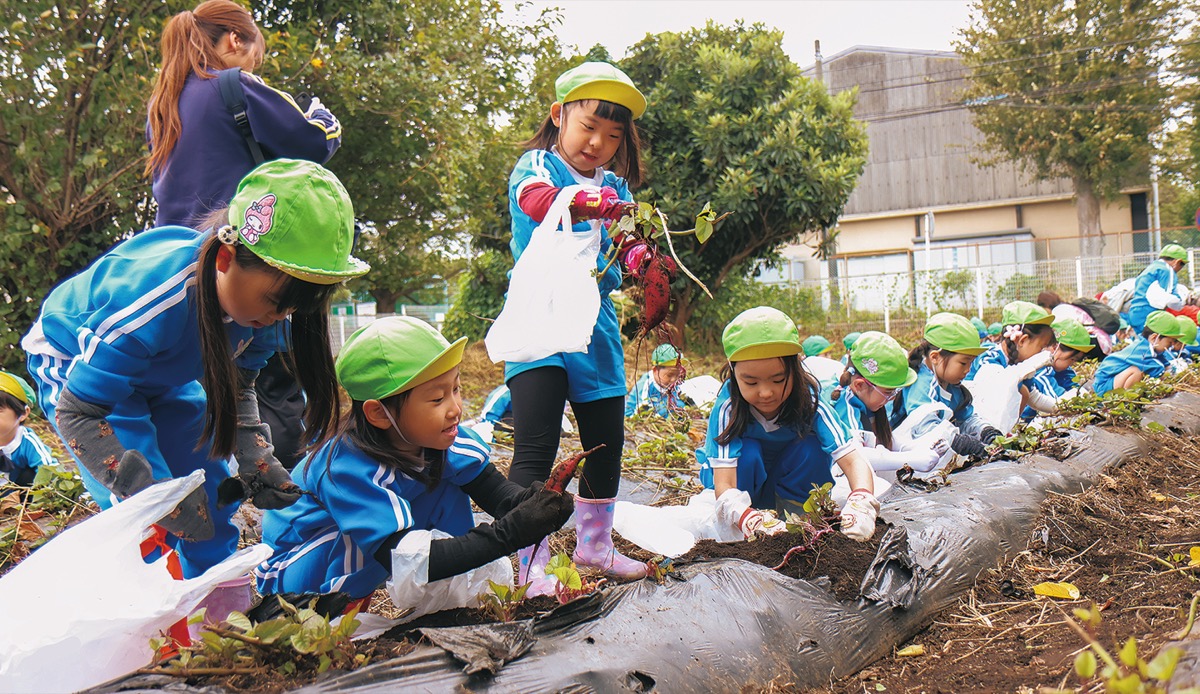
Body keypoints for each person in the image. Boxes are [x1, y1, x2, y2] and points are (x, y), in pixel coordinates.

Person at [22, 159, 369, 577]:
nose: (284, 315)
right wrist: (152, 498)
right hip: (81, 370)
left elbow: (237, 387)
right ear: (225, 257)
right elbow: (79, 413)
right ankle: (157, 612)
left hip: (162, 373)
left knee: (207, 485)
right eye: (278, 301)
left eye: (297, 305)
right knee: (149, 508)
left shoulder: (267, 315)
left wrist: (256, 458)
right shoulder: (156, 298)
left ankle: (218, 595)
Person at [146, 0, 345, 471]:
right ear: (235, 40)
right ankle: (287, 489)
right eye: (256, 50)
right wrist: (325, 117)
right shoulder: (233, 86)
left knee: (199, 383)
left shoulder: (163, 104)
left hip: (182, 267)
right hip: (246, 255)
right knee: (269, 380)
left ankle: (214, 482)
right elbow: (311, 143)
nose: (257, 63)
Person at [254, 317, 573, 603]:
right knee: (370, 541)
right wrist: (508, 534)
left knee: (444, 484)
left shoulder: (436, 436)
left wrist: (537, 505)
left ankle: (449, 593)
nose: (455, 408)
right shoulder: (344, 468)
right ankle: (335, 609)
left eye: (456, 388)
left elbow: (495, 492)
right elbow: (403, 558)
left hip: (359, 555)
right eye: (437, 398)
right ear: (379, 413)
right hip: (297, 570)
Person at [503, 61, 651, 591]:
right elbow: (536, 202)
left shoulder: (615, 186)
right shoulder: (537, 165)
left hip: (595, 328)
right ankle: (527, 562)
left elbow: (625, 245)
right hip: (539, 321)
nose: (598, 143)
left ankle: (594, 548)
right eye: (588, 127)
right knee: (536, 448)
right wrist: (594, 204)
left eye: (612, 136)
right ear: (559, 115)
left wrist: (641, 258)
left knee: (606, 442)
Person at [697, 307, 878, 542]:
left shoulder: (809, 401)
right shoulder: (728, 408)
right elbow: (724, 484)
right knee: (748, 453)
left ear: (795, 370)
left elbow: (852, 459)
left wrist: (861, 500)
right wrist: (747, 518)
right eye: (750, 382)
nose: (765, 392)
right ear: (733, 372)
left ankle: (797, 520)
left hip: (786, 483)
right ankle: (750, 527)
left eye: (778, 379)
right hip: (742, 493)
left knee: (811, 448)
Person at [826, 332, 943, 473]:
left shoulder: (864, 399)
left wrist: (914, 447)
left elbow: (881, 438)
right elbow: (855, 456)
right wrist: (910, 459)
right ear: (859, 385)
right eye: (888, 392)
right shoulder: (843, 404)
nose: (893, 398)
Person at [890, 313, 997, 458]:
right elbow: (925, 429)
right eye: (963, 363)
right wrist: (960, 442)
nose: (968, 370)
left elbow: (965, 417)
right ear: (935, 357)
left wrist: (987, 432)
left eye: (972, 362)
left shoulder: (950, 383)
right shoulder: (921, 383)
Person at [1092, 311, 1187, 395]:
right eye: (1169, 342)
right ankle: (1124, 399)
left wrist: (1172, 368)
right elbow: (1158, 369)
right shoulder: (1141, 350)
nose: (1170, 346)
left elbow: (1165, 364)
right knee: (1136, 371)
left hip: (1114, 380)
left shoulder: (1153, 349)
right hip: (1104, 385)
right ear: (1154, 338)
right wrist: (1172, 372)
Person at [1020, 319, 1093, 419]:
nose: (1071, 364)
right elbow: (1057, 401)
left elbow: (1075, 389)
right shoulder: (1041, 371)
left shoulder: (1065, 371)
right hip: (1026, 422)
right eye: (1072, 359)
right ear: (1055, 348)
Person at [0, 371, 55, 492]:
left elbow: (49, 468)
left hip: (18, 496)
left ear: (23, 413)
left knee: (31, 475)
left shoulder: (26, 441)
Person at [1127, 244, 1189, 333]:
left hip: (1134, 312)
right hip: (1150, 313)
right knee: (1157, 342)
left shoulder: (1151, 268)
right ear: (1177, 262)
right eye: (1182, 265)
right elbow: (1168, 298)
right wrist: (1182, 301)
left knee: (1144, 343)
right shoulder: (1167, 270)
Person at [625, 344, 691, 418]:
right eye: (669, 375)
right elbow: (643, 410)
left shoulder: (673, 384)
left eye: (677, 375)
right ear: (655, 371)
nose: (673, 379)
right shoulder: (646, 385)